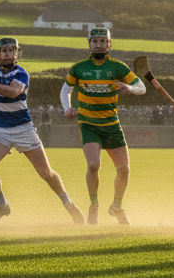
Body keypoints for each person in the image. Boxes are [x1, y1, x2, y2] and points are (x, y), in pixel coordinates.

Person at [0, 36, 84, 224]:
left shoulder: (21, 74)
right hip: (0, 129)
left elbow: (12, 92)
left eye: (11, 51)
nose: (8, 54)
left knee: (46, 173)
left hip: (23, 129)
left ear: (17, 53)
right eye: (4, 51)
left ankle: (68, 204)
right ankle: (2, 205)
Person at [61, 28, 145, 225]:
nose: (98, 45)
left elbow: (141, 87)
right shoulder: (79, 68)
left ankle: (116, 207)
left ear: (109, 44)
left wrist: (129, 87)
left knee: (124, 169)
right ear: (89, 44)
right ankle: (94, 206)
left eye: (103, 41)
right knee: (93, 164)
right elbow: (66, 90)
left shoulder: (118, 67)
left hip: (111, 124)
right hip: (88, 123)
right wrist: (67, 108)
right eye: (95, 41)